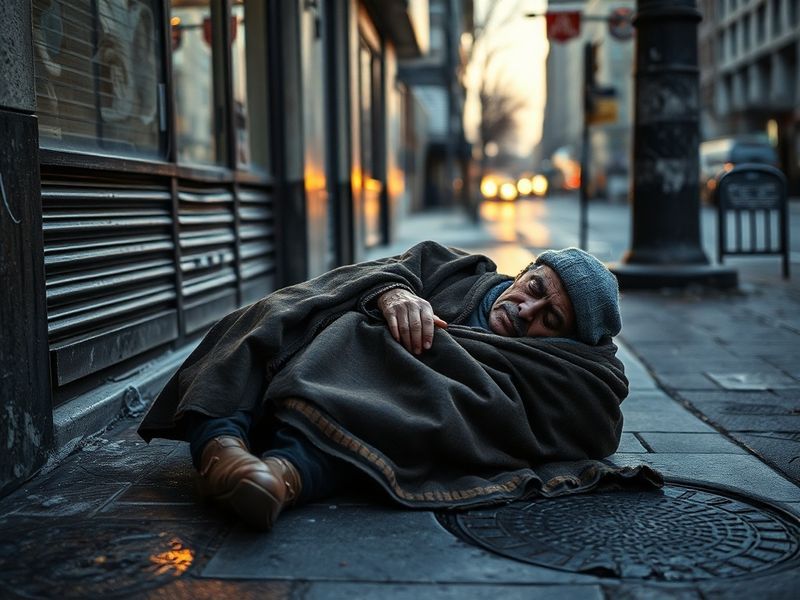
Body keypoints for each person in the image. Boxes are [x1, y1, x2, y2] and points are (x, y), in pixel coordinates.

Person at [138, 241, 657, 531]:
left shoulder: (571, 376)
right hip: (307, 361)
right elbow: (374, 272)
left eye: (551, 319)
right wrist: (391, 293)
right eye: (534, 289)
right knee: (282, 311)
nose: (526, 311)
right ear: (523, 273)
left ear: (566, 341)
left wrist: (436, 357)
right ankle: (221, 447)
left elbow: (586, 423)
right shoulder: (454, 269)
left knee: (421, 395)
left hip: (372, 404)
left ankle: (281, 476)